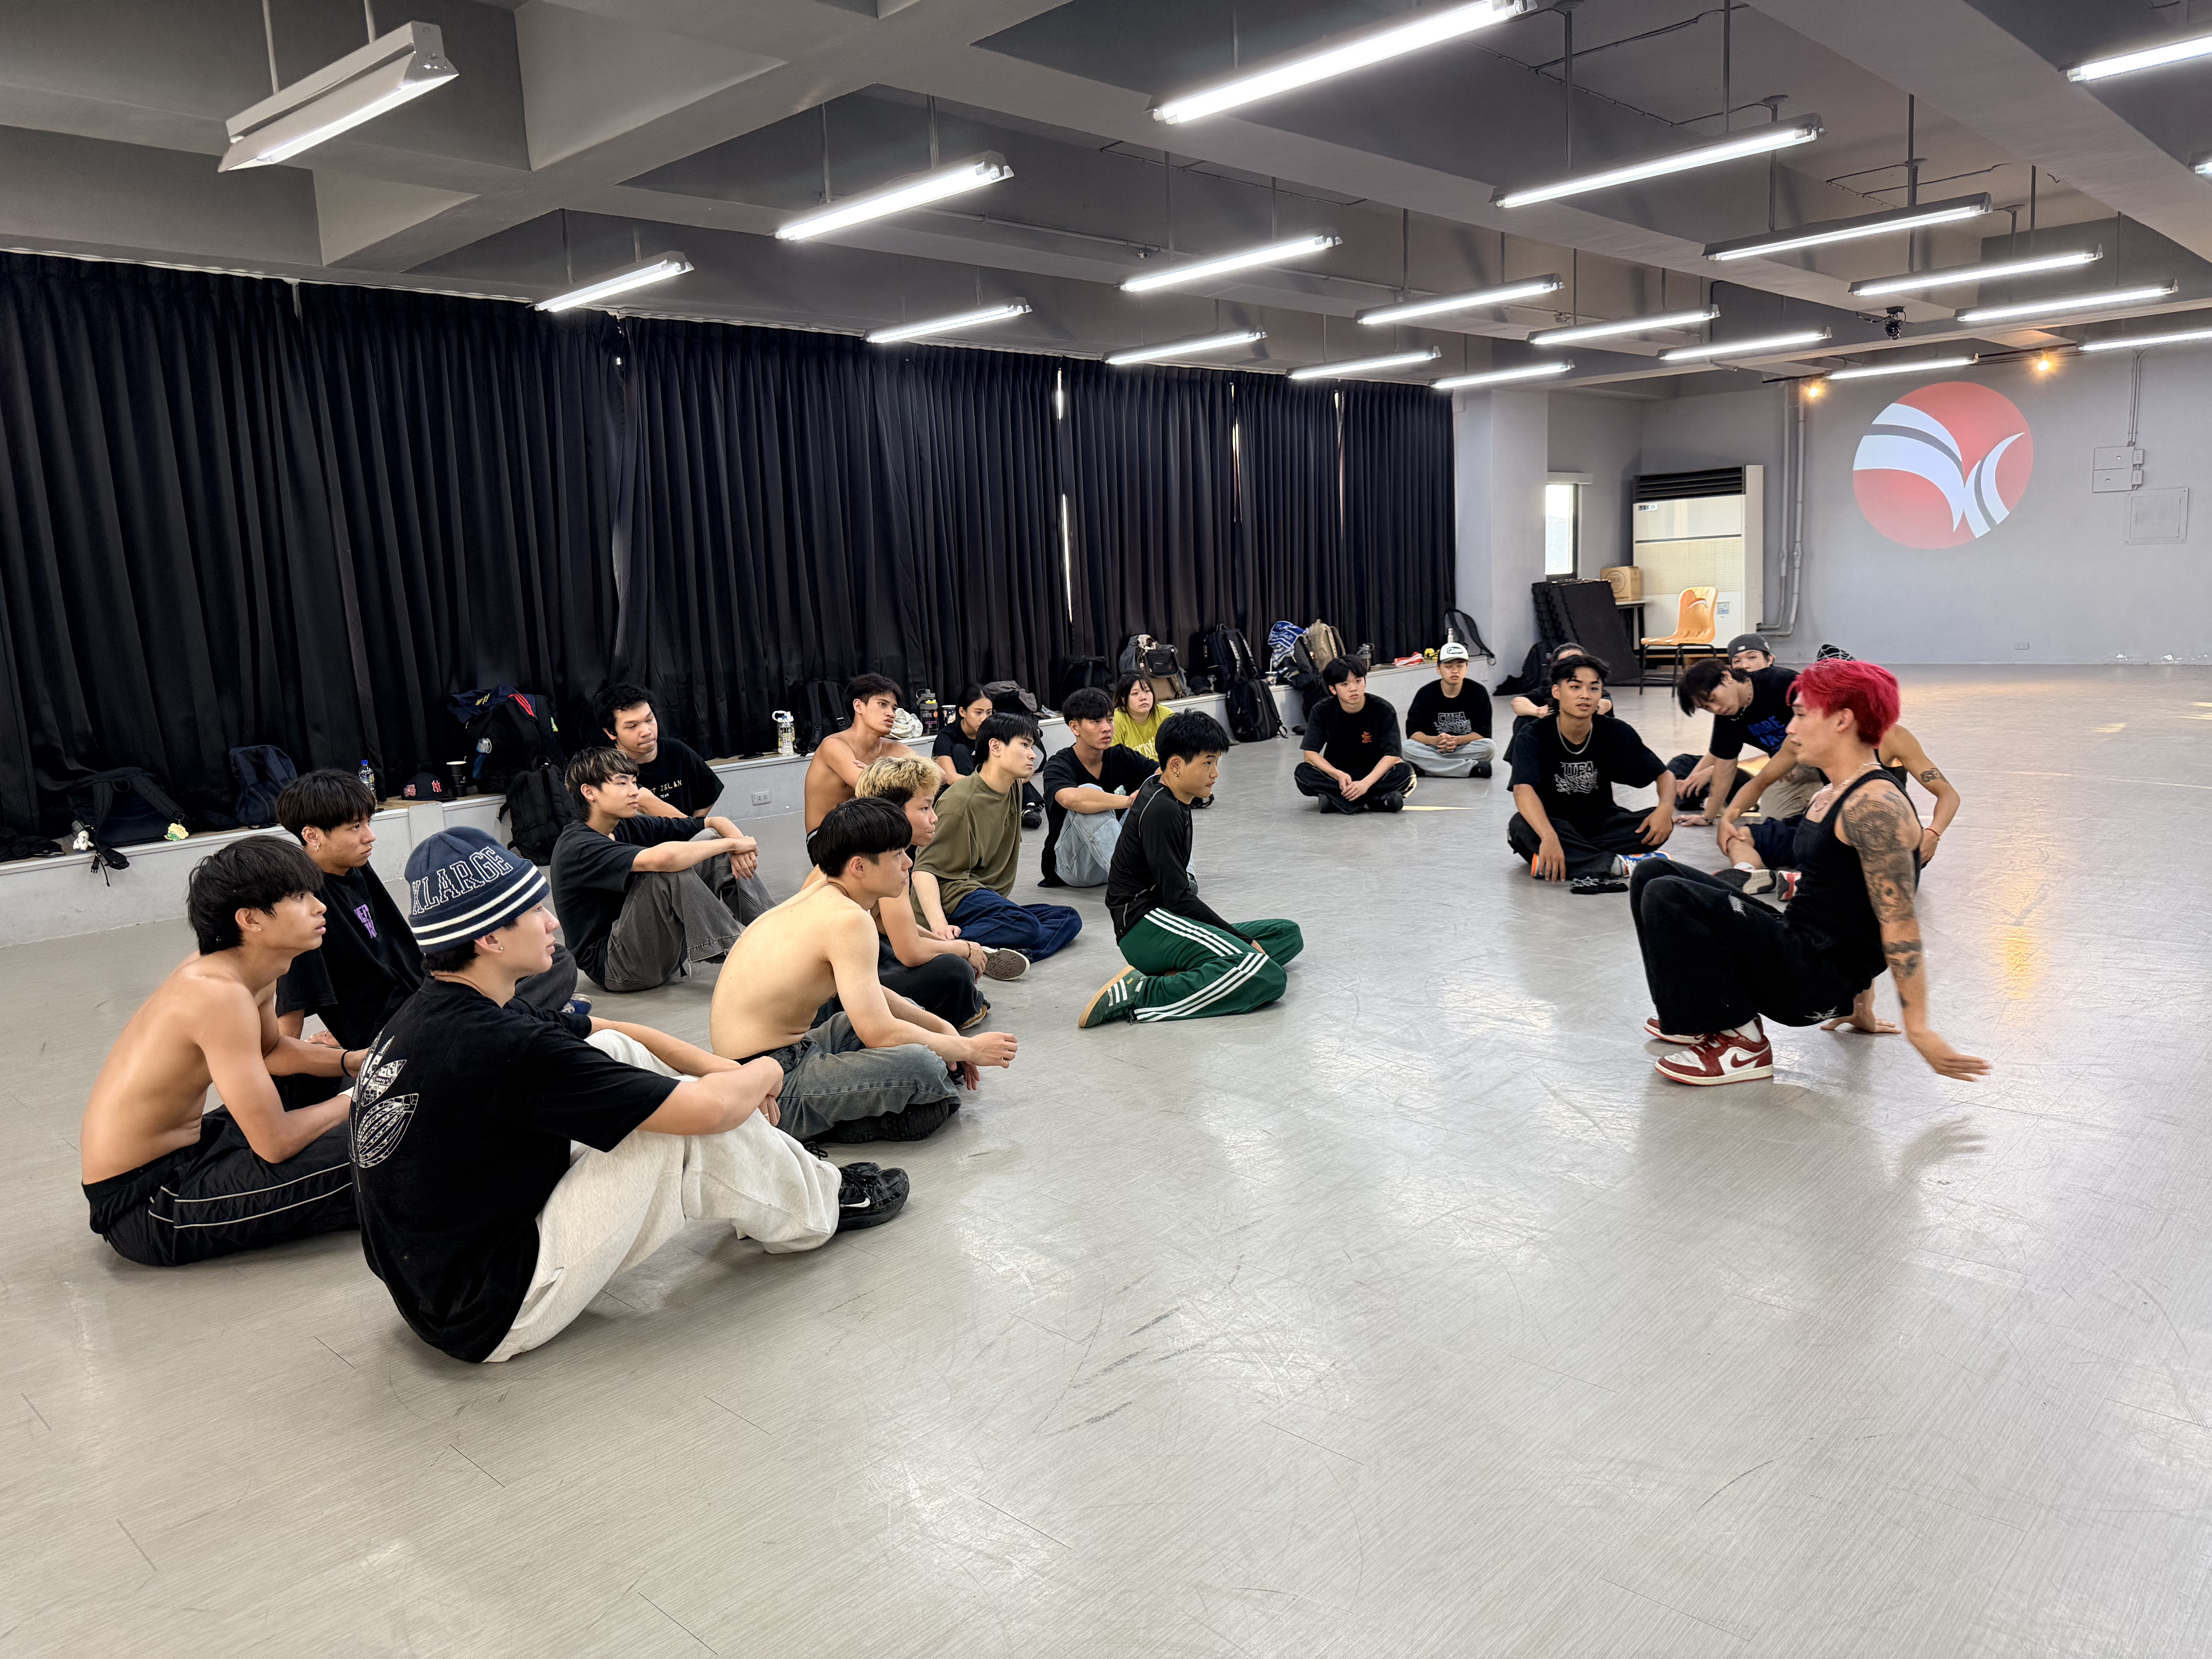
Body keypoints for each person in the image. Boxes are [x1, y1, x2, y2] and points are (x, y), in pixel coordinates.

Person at [350, 826, 907, 1364]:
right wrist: (760, 1071)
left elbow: (609, 1029)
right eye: (535, 911)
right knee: (679, 1131)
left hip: (435, 1280)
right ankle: (818, 1208)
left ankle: (787, 1174)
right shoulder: (504, 1044)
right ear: (490, 939)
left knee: (617, 1049)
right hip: (489, 1308)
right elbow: (709, 1111)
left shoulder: (442, 1009)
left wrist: (721, 1067)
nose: (552, 922)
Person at [1631, 660, 1989, 1087]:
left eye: (1801, 715)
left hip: (1815, 977)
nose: (1790, 728)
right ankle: (1695, 1018)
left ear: (1842, 721)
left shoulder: (1875, 807)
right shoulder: (1831, 793)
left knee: (1669, 894)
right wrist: (1862, 1009)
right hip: (1801, 943)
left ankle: (1743, 1045)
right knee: (1652, 872)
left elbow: (1898, 922)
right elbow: (1852, 901)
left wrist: (1919, 1028)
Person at [79, 837, 363, 1267]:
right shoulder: (217, 994)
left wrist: (351, 1062)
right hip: (147, 1202)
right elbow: (275, 1143)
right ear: (250, 919)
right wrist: (356, 1097)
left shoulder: (252, 965)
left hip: (193, 1150)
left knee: (334, 1082)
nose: (320, 907)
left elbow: (270, 1052)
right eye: (300, 897)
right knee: (385, 1136)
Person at [711, 799, 1018, 1146]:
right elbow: (879, 1033)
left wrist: (944, 1030)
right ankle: (809, 1124)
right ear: (858, 866)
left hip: (776, 1057)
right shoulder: (849, 920)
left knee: (894, 1023)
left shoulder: (823, 893)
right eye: (897, 855)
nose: (908, 864)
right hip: (768, 1087)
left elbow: (870, 993)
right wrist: (969, 1050)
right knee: (924, 1068)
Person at [273, 771, 578, 1110]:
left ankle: (518, 1019)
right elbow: (289, 1016)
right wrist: (324, 1058)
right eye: (355, 827)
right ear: (312, 835)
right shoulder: (304, 909)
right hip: (407, 1036)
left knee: (556, 960)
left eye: (368, 823)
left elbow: (407, 949)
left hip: (432, 996)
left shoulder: (354, 869)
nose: (370, 836)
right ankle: (524, 1019)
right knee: (520, 994)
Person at [1082, 712, 1304, 1027]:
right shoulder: (1162, 810)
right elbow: (1178, 899)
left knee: (1286, 934)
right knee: (1269, 977)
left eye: (1217, 763)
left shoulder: (1170, 793)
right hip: (1146, 926)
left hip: (1169, 918)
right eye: (1207, 763)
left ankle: (1197, 971)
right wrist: (1242, 939)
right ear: (1176, 765)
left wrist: (1241, 940)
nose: (1215, 773)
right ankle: (1142, 993)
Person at [797, 755, 1028, 1034]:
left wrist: (954, 944)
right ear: (895, 812)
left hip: (833, 971)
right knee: (954, 971)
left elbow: (890, 926)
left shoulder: (874, 847)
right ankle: (961, 1005)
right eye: (925, 808)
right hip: (823, 996)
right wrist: (963, 949)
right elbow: (910, 953)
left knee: (941, 959)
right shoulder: (885, 862)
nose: (934, 817)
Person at [551, 747, 772, 993]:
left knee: (711, 843)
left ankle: (778, 932)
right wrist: (733, 844)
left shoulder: (626, 825)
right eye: (622, 783)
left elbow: (709, 825)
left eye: (634, 782)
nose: (635, 791)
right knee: (668, 873)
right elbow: (665, 860)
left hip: (656, 948)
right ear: (589, 792)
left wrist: (738, 844)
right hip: (619, 967)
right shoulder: (578, 846)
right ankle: (737, 955)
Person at [912, 713, 1084, 958]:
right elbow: (923, 871)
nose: (1033, 755)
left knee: (1068, 917)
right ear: (995, 747)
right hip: (952, 898)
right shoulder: (960, 803)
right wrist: (939, 927)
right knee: (1027, 926)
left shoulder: (1012, 786)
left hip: (984, 897)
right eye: (1024, 745)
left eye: (1032, 747)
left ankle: (1013, 955)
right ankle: (951, 947)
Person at [1505, 652, 1678, 888]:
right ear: (1556, 692)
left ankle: (1568, 860)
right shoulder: (1533, 734)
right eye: (1575, 687)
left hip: (1602, 824)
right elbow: (1522, 790)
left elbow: (1664, 775)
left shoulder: (1615, 731)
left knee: (1655, 824)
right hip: (1553, 824)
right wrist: (1549, 836)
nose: (1585, 695)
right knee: (1521, 826)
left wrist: (1665, 810)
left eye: (1594, 688)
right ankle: (1616, 865)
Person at [1718, 717, 1963, 880]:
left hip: (1879, 834)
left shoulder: (1890, 736)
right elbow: (1760, 782)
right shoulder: (1804, 739)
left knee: (1879, 855)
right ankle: (1749, 875)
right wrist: (1728, 819)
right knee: (1741, 837)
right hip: (1822, 829)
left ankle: (1809, 881)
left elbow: (1949, 795)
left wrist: (1933, 834)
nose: (1792, 724)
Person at [1037, 685, 1156, 888]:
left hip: (1116, 860)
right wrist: (1129, 801)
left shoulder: (1122, 756)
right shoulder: (1059, 764)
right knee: (1089, 794)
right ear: (1075, 728)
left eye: (1110, 720)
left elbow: (1164, 775)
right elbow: (1070, 798)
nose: (1107, 728)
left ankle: (1182, 878)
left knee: (1162, 794)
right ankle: (1136, 883)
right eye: (1097, 721)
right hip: (1076, 867)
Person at [1669, 656, 1800, 819]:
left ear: (1727, 677)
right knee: (1774, 819)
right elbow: (1725, 768)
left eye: (1714, 699)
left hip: (1816, 753)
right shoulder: (1727, 717)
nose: (1716, 709)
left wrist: (1788, 761)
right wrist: (1708, 817)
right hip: (1788, 768)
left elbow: (1821, 725)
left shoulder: (1782, 683)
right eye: (1707, 707)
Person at [1294, 657, 1416, 814]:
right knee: (1303, 773)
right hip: (1339, 776)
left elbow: (1393, 756)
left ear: (1365, 682)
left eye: (1358, 681)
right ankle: (1376, 801)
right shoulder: (1322, 711)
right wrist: (1338, 775)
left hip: (1374, 774)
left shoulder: (1383, 710)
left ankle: (1337, 800)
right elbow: (1310, 755)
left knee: (1406, 773)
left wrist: (1366, 784)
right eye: (1345, 685)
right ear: (1333, 689)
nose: (1353, 689)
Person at [593, 681, 725, 820]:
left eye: (649, 720)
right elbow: (647, 804)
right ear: (611, 733)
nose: (646, 732)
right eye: (632, 726)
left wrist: (698, 822)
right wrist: (696, 827)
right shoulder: (608, 765)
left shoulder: (677, 750)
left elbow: (710, 790)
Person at [805, 673, 917, 833]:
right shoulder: (834, 745)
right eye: (883, 704)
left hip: (869, 829)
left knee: (921, 819)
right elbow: (869, 787)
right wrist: (894, 773)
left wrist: (878, 773)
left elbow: (940, 776)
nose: (891, 714)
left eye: (894, 708)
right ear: (859, 706)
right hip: (827, 836)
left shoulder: (893, 747)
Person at [1402, 642, 1496, 779]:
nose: (1455, 671)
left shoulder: (1478, 692)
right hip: (1434, 747)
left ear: (1466, 668)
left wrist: (1457, 741)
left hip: (1464, 746)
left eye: (1460, 666)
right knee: (1406, 748)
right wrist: (1435, 741)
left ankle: (1426, 769)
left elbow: (1483, 733)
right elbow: (1413, 732)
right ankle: (1470, 769)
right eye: (1448, 666)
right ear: (1438, 669)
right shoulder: (1426, 693)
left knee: (1489, 748)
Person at [1509, 640, 1613, 738]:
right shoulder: (1549, 690)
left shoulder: (1594, 689)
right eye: (1566, 664)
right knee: (1524, 720)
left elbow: (1606, 704)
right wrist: (1539, 712)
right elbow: (1518, 702)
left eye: (1578, 662)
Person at [932, 684, 993, 785]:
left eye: (989, 713)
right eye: (979, 713)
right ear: (962, 712)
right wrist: (988, 785)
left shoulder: (993, 734)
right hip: (956, 790)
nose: (985, 718)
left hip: (984, 786)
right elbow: (950, 777)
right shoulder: (946, 736)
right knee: (960, 750)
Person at [1113, 673, 1168, 761]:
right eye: (1135, 693)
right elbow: (1114, 759)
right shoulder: (1116, 720)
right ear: (1124, 700)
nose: (1143, 697)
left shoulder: (1165, 714)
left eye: (1147, 691)